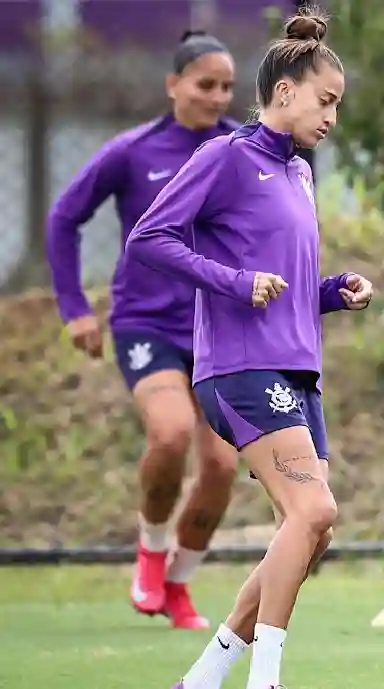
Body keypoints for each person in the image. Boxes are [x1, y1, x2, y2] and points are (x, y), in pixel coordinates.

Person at [127, 10, 371, 689]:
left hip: (298, 371)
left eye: (338, 106)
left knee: (310, 533)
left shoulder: (300, 175)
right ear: (285, 92)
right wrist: (234, 282)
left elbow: (282, 285)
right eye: (326, 101)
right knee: (313, 510)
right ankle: (265, 678)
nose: (331, 117)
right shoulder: (227, 156)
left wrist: (332, 290)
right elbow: (151, 239)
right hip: (240, 368)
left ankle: (204, 678)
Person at [45, 30, 242, 630]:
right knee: (170, 432)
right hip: (146, 323)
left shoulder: (239, 149)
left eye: (227, 87)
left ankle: (179, 586)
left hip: (218, 327)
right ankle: (151, 552)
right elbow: (64, 218)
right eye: (205, 84)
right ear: (173, 84)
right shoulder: (133, 152)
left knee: (224, 469)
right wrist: (75, 306)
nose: (216, 97)